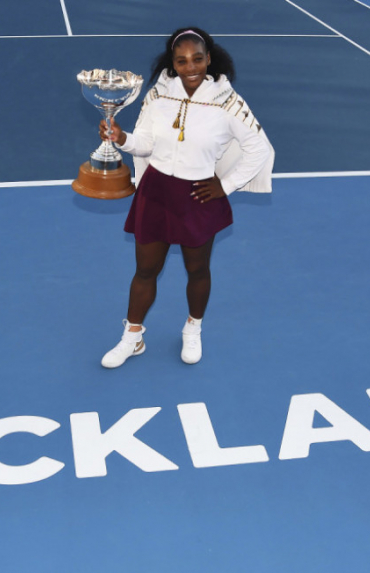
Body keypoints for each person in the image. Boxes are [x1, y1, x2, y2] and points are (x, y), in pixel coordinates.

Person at [99, 26, 274, 368]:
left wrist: (226, 185)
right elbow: (146, 144)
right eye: (181, 61)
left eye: (197, 59)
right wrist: (122, 138)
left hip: (198, 196)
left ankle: (193, 328)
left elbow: (259, 149)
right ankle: (132, 337)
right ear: (173, 63)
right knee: (145, 270)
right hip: (156, 192)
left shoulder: (228, 102)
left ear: (209, 59)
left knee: (197, 269)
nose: (190, 67)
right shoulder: (158, 96)